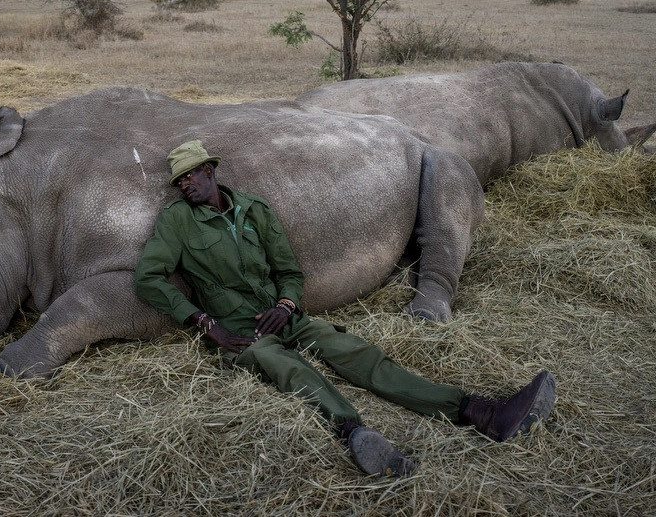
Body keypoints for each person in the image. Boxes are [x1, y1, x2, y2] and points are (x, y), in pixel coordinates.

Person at [134, 139, 557, 478]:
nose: (184, 185)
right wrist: (208, 324)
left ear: (209, 171)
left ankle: (480, 412)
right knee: (291, 370)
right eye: (178, 181)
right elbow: (147, 278)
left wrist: (286, 304)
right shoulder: (177, 222)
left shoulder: (253, 210)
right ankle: (355, 433)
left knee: (356, 353)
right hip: (240, 332)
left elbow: (289, 271)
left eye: (189, 175)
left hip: (285, 318)